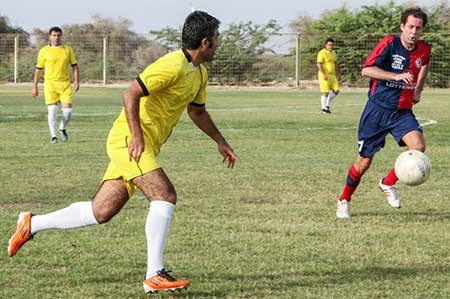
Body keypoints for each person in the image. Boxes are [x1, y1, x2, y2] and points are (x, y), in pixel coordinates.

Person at [9, 11, 239, 293]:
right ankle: (154, 274)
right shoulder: (172, 65)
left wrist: (220, 141)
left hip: (143, 144)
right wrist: (138, 136)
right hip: (128, 140)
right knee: (164, 195)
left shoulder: (199, 73)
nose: (219, 43)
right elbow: (130, 93)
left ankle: (31, 224)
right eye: (217, 39)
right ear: (205, 42)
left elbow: (197, 111)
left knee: (101, 211)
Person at [336, 7, 431, 219]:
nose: (414, 32)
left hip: (402, 112)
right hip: (377, 111)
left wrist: (418, 90)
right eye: (410, 27)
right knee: (363, 163)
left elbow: (424, 65)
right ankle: (344, 200)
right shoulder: (390, 42)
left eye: (418, 28)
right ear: (402, 27)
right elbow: (367, 70)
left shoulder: (424, 49)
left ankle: (387, 182)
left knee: (418, 147)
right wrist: (395, 76)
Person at [32, 26, 80, 144]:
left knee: (67, 113)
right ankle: (53, 136)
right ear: (49, 37)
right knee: (52, 111)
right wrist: (35, 86)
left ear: (61, 36)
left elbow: (74, 66)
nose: (56, 38)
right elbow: (38, 70)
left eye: (58, 35)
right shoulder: (44, 51)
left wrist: (76, 80)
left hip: (64, 84)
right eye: (54, 35)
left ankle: (62, 127)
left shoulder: (67, 50)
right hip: (50, 85)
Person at [317, 38, 340, 114]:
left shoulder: (333, 53)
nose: (330, 46)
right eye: (329, 45)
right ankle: (324, 108)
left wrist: (338, 73)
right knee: (325, 92)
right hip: (324, 75)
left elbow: (335, 63)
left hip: (332, 75)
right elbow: (319, 64)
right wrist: (323, 74)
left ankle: (327, 105)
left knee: (336, 91)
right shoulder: (322, 53)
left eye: (332, 45)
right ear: (326, 45)